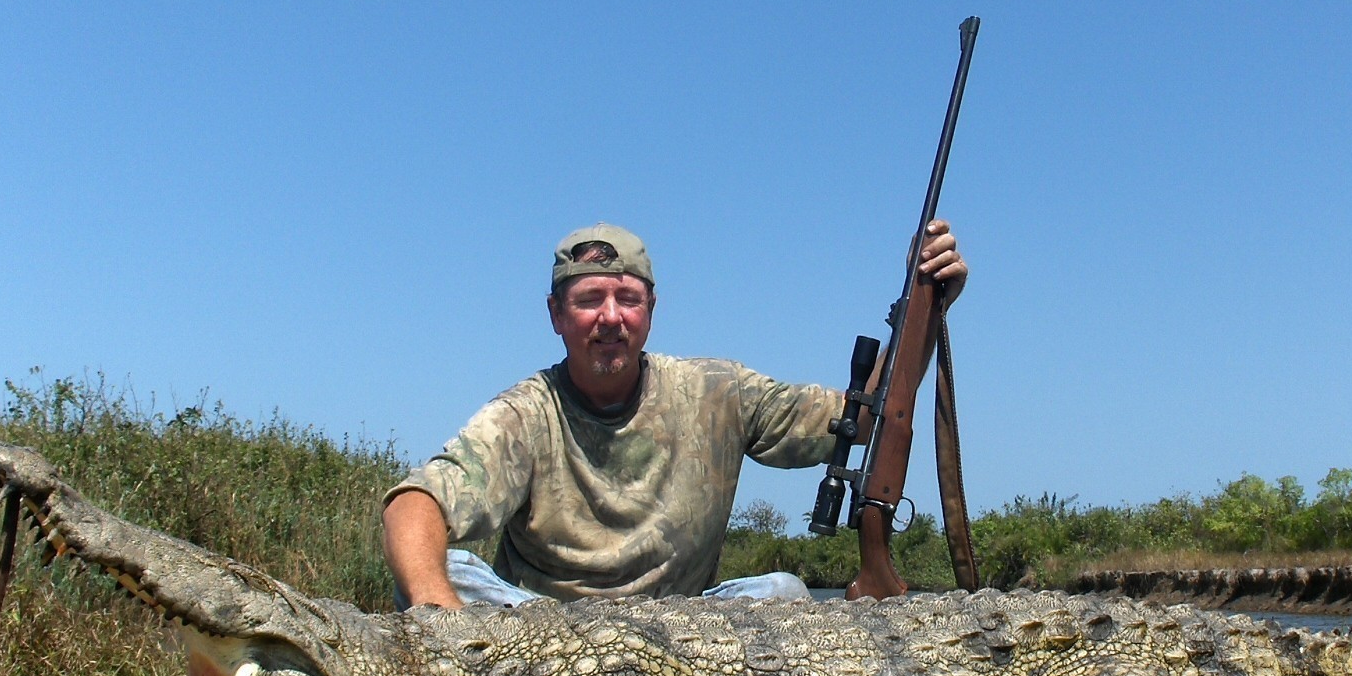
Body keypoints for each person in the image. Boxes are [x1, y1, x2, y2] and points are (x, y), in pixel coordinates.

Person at [383, 220, 968, 608]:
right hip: (544, 634)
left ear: (650, 310)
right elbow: (416, 505)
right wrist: (447, 633)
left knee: (785, 593)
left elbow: (861, 419)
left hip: (683, 636)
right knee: (452, 570)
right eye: (589, 300)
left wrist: (928, 309)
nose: (610, 318)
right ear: (556, 315)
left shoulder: (718, 391)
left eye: (627, 299)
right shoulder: (525, 413)